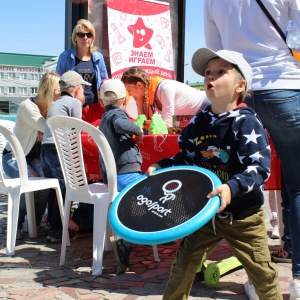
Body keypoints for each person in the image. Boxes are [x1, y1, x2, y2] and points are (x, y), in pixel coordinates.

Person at [147, 48, 282, 299]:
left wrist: (231, 188)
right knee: (183, 265)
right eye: (208, 73)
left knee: (262, 274)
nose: (211, 77)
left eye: (221, 72)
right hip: (204, 212)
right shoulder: (199, 122)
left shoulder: (246, 122)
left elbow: (259, 168)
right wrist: (163, 166)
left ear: (240, 85)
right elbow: (186, 158)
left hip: (243, 216)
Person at [203, 1, 300, 297]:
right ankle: (298, 280)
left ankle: (258, 279)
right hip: (285, 85)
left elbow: (217, 53)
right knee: (298, 187)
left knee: (242, 187)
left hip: (240, 95)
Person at [2, 72, 61, 240]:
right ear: (50, 90)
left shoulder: (50, 108)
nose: (61, 93)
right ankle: (17, 224)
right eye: (58, 90)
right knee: (28, 182)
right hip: (14, 156)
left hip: (33, 157)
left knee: (44, 183)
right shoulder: (27, 107)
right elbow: (48, 128)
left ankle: (35, 223)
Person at [98, 79, 144, 272]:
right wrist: (138, 129)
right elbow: (121, 123)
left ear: (101, 102)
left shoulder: (103, 119)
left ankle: (126, 238)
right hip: (127, 172)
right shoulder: (117, 115)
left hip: (114, 176)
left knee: (135, 202)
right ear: (124, 100)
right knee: (153, 192)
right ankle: (126, 241)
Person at [41, 70, 89, 243]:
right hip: (58, 148)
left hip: (45, 149)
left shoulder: (57, 103)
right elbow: (78, 131)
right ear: (76, 89)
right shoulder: (74, 102)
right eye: (83, 89)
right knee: (65, 187)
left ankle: (53, 225)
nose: (84, 92)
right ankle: (58, 229)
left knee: (57, 188)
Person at [121, 66, 210, 127]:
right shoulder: (149, 93)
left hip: (207, 106)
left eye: (129, 91)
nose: (129, 94)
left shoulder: (165, 88)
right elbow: (143, 124)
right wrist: (139, 103)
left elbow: (167, 124)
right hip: (192, 116)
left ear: (139, 85)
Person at [56, 19, 108, 107]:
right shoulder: (65, 56)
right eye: (81, 34)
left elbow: (104, 81)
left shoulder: (98, 58)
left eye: (89, 35)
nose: (85, 38)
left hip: (94, 106)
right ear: (75, 37)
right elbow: (58, 81)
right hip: (72, 104)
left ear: (92, 38)